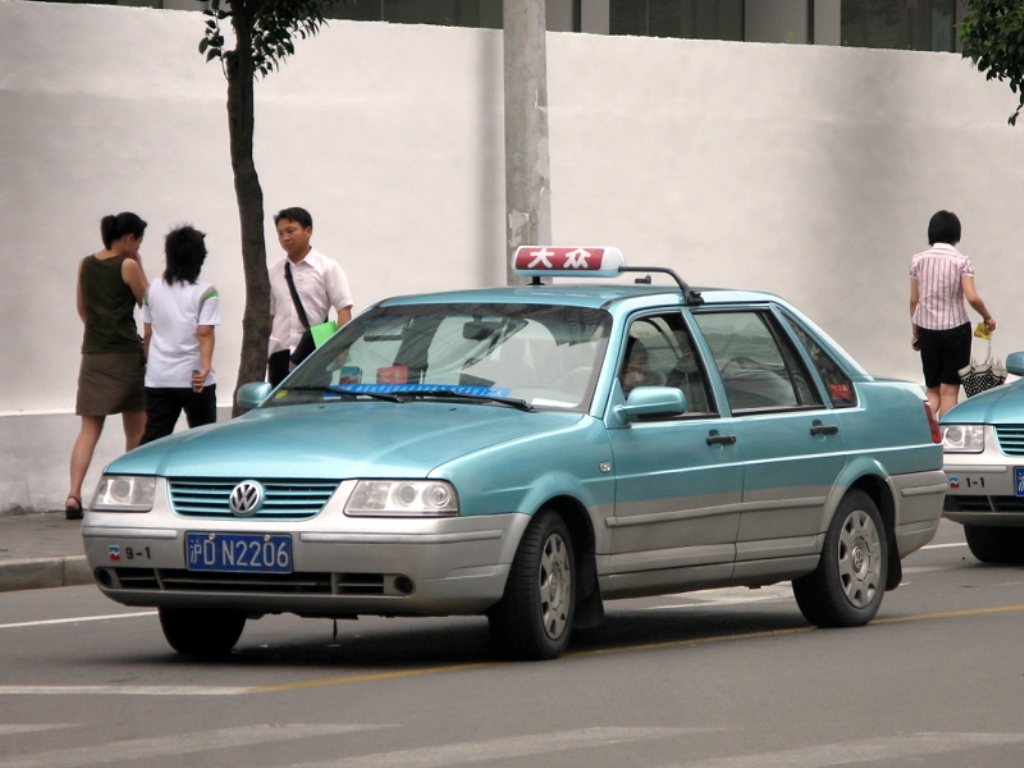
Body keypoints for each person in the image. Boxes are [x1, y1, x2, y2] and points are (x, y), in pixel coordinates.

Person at [66, 212, 149, 520]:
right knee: (136, 426)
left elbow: (83, 310)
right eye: (138, 241)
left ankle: (74, 494)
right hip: (125, 354)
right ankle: (134, 492)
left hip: (93, 354)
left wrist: (98, 330)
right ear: (129, 239)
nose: (138, 247)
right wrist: (140, 266)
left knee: (89, 429)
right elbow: (148, 302)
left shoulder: (85, 264)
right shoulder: (126, 265)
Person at [910, 210, 996, 418]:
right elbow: (972, 297)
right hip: (956, 332)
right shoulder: (962, 261)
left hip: (928, 331)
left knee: (932, 390)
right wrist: (987, 318)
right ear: (956, 235)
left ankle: (925, 436)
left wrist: (916, 333)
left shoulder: (918, 260)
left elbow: (914, 301)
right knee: (949, 392)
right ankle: (948, 441)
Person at [139, 225, 220, 445]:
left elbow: (148, 332)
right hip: (194, 377)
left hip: (158, 377)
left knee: (154, 437)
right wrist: (205, 367)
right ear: (199, 257)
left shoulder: (152, 288)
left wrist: (151, 362)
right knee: (203, 438)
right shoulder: (206, 291)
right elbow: (205, 333)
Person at [267, 207, 353, 386]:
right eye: (280, 233)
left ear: (308, 231)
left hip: (314, 354)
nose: (285, 238)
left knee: (310, 406)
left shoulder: (327, 268)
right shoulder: (274, 272)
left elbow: (344, 309)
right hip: (280, 354)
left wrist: (341, 349)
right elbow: (271, 315)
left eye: (291, 231)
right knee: (279, 410)